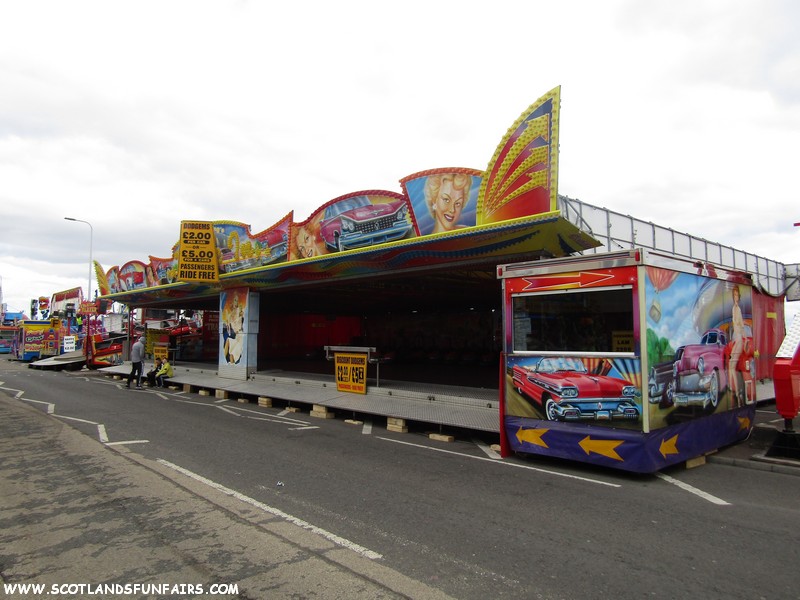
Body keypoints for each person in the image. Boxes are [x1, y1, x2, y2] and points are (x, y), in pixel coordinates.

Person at [728, 285, 745, 406]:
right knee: (731, 366)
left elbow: (741, 327)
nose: (735, 297)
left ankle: (735, 392)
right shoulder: (734, 308)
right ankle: (735, 392)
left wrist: (743, 340)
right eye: (734, 295)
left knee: (731, 366)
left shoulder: (737, 309)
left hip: (739, 339)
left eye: (737, 295)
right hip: (736, 339)